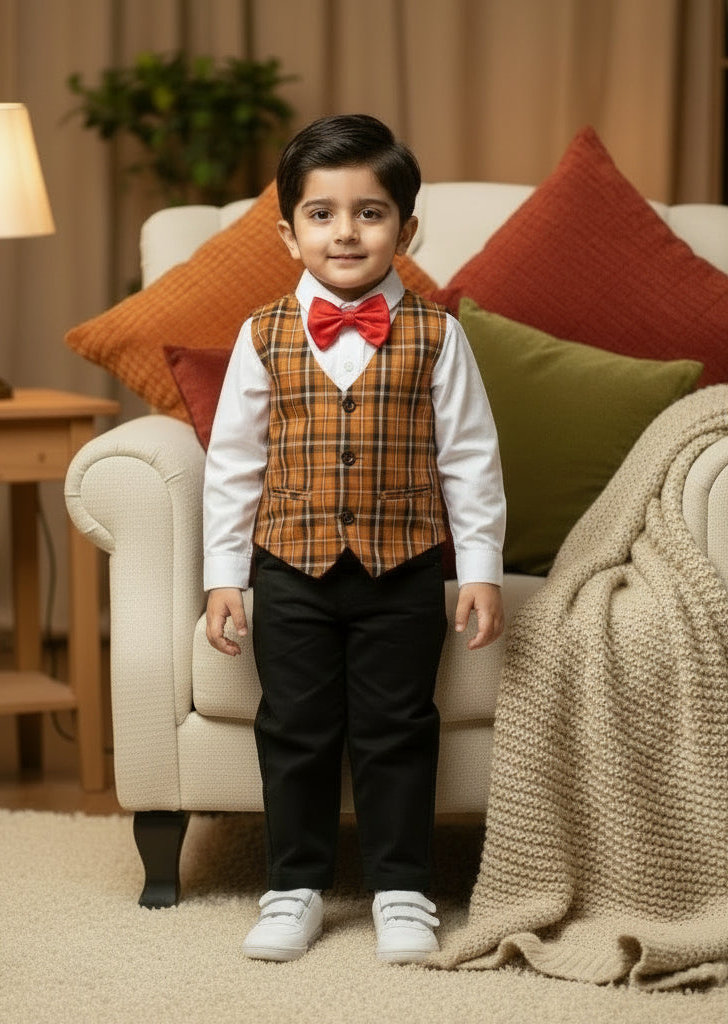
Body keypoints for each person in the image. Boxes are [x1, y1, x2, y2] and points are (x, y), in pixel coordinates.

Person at [202, 113, 506, 964]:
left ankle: (401, 888)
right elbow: (232, 465)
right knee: (293, 727)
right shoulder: (261, 335)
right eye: (323, 214)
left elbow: (472, 460)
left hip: (402, 570)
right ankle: (291, 885)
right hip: (288, 571)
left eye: (370, 213)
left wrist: (477, 569)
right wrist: (225, 577)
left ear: (407, 230)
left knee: (397, 727)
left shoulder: (440, 336)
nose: (346, 232)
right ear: (288, 232)